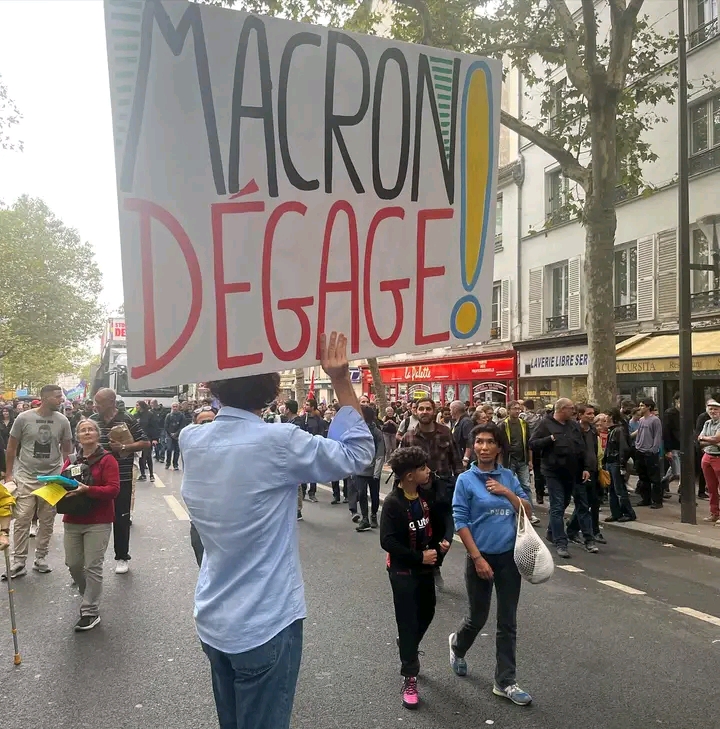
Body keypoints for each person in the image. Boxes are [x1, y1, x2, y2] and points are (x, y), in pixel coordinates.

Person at [180, 332, 374, 729]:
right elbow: (358, 453)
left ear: (213, 388)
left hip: (214, 615)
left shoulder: (191, 439)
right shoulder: (279, 441)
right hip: (264, 620)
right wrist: (339, 379)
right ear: (270, 392)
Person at [449, 423, 533, 706]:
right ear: (473, 447)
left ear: (499, 447)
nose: (484, 447)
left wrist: (506, 493)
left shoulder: (508, 476)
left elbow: (527, 509)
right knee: (478, 617)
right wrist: (477, 558)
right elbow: (461, 521)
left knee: (507, 622)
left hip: (509, 558)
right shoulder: (466, 480)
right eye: (479, 442)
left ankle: (505, 681)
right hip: (479, 557)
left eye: (490, 442)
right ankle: (457, 646)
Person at [380, 446, 451, 710]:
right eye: (423, 468)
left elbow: (444, 514)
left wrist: (443, 542)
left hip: (424, 569)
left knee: (428, 611)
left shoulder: (425, 495)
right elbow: (386, 541)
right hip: (402, 571)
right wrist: (419, 557)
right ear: (409, 475)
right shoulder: (393, 503)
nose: (428, 471)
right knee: (408, 621)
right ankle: (409, 675)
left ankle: (407, 643)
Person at [2, 384, 73, 578]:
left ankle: (41, 558)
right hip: (25, 476)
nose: (61, 400)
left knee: (47, 519)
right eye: (58, 397)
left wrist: (67, 474)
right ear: (45, 398)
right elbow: (11, 447)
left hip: (52, 478)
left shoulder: (63, 421)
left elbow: (67, 449)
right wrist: (9, 474)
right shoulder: (24, 418)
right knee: (23, 518)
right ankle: (18, 561)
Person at [61, 418, 120, 631]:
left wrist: (88, 490)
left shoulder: (107, 460)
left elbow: (113, 490)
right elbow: (62, 481)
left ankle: (90, 611)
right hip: (73, 519)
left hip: (98, 520)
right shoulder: (71, 459)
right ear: (78, 436)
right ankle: (89, 594)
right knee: (73, 564)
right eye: (82, 430)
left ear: (97, 434)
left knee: (93, 565)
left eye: (90, 429)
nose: (87, 433)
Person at [400, 397, 460, 590]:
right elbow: (400, 466)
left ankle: (436, 562)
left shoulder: (445, 433)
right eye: (421, 409)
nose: (424, 412)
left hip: (443, 490)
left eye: (428, 408)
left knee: (447, 532)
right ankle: (427, 568)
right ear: (415, 411)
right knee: (421, 532)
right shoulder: (409, 437)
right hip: (419, 492)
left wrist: (461, 487)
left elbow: (456, 461)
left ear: (434, 411)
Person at [91, 388, 150, 574]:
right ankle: (91, 560)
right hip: (96, 477)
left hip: (121, 476)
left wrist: (124, 446)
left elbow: (145, 442)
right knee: (93, 518)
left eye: (99, 402)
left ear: (111, 402)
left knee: (121, 518)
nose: (96, 406)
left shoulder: (128, 419)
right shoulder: (93, 419)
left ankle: (122, 557)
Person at [529, 398, 595, 559]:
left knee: (564, 503)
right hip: (553, 472)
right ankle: (561, 542)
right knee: (558, 506)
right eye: (571, 408)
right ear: (562, 409)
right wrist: (549, 439)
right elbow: (533, 443)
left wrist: (586, 468)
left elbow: (583, 448)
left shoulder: (573, 426)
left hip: (571, 472)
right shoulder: (545, 424)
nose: (573, 411)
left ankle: (552, 532)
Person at [567, 404, 604, 544]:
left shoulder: (593, 430)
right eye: (588, 414)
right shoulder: (574, 430)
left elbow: (594, 450)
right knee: (582, 504)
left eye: (592, 413)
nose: (591, 416)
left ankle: (572, 530)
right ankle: (589, 538)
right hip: (579, 472)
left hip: (593, 470)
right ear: (580, 415)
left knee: (592, 502)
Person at [349, 406, 385, 531]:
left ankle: (373, 514)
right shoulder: (355, 430)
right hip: (360, 469)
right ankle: (365, 518)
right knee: (362, 493)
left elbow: (381, 453)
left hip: (373, 469)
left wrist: (377, 472)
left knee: (374, 495)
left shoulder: (376, 432)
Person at [603, 408, 636, 523]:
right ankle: (616, 513)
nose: (604, 418)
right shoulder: (613, 430)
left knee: (619, 489)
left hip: (615, 462)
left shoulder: (618, 431)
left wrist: (622, 464)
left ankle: (628, 513)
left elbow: (624, 448)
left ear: (612, 417)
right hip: (611, 462)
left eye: (607, 415)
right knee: (612, 489)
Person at [632, 397, 663, 508]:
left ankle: (657, 501)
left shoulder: (655, 420)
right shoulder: (641, 420)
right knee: (643, 477)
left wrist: (653, 449)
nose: (640, 408)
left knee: (654, 478)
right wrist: (637, 445)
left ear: (648, 407)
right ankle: (646, 499)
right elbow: (639, 433)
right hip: (640, 451)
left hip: (650, 452)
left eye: (642, 406)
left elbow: (657, 436)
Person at [296, 398, 326, 503]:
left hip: (314, 448)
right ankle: (303, 491)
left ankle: (312, 493)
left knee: (314, 471)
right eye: (305, 404)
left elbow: (321, 434)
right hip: (304, 449)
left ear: (313, 407)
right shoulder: (302, 419)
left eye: (307, 404)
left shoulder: (319, 420)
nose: (305, 406)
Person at [698, 398, 720, 524]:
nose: (713, 411)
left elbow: (717, 439)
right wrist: (710, 440)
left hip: (718, 457)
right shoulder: (707, 423)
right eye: (710, 409)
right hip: (707, 456)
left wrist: (705, 438)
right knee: (711, 488)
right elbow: (699, 439)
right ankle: (715, 513)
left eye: (716, 409)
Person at [135, 401, 160, 482]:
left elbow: (154, 427)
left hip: (148, 438)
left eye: (137, 405)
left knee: (148, 456)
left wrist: (155, 438)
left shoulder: (150, 415)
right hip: (139, 439)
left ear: (142, 406)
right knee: (141, 458)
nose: (136, 406)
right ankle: (143, 474)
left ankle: (151, 474)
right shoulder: (136, 415)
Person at [662, 393, 681, 497]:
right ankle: (662, 484)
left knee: (679, 470)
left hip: (683, 446)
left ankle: (682, 491)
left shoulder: (686, 412)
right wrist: (667, 449)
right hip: (673, 446)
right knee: (676, 472)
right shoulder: (670, 413)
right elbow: (666, 432)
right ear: (676, 401)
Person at [450, 400, 474, 467]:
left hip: (465, 461)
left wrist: (466, 459)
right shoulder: (456, 422)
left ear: (455, 409)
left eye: (450, 410)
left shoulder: (466, 422)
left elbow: (470, 441)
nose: (450, 412)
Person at [164, 402, 185, 470]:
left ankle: (175, 464)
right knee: (169, 449)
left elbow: (182, 426)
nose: (175, 408)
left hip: (178, 435)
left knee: (177, 450)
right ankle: (168, 463)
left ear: (178, 407)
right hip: (169, 435)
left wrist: (176, 433)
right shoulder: (168, 416)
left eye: (176, 406)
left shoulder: (181, 416)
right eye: (173, 406)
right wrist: (170, 434)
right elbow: (166, 426)